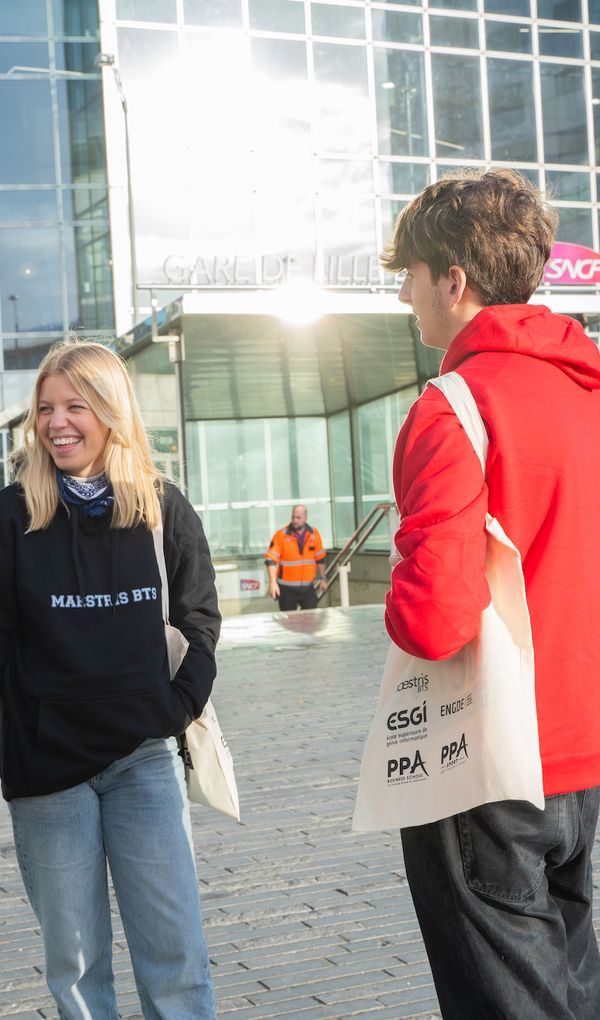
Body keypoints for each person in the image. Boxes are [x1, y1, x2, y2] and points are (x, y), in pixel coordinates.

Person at [381, 169, 600, 1019]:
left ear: (454, 280)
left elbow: (432, 622)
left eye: (410, 275)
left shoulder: (454, 407)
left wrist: (405, 571)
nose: (405, 295)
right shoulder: (587, 390)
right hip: (580, 760)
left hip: (487, 764)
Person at [0, 340, 220, 1019]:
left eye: (75, 406)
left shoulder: (161, 507)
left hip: (143, 760)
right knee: (76, 968)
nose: (56, 423)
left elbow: (199, 619)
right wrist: (15, 743)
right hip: (48, 774)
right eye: (45, 409)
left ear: (111, 410)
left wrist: (174, 708)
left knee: (176, 956)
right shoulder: (12, 515)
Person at [265, 504, 328, 610]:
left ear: (305, 518)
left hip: (307, 588)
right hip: (286, 589)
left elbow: (320, 559)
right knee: (288, 619)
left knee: (311, 618)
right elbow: (270, 559)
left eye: (298, 518)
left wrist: (323, 579)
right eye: (293, 517)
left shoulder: (314, 534)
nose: (295, 520)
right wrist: (273, 582)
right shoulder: (281, 535)